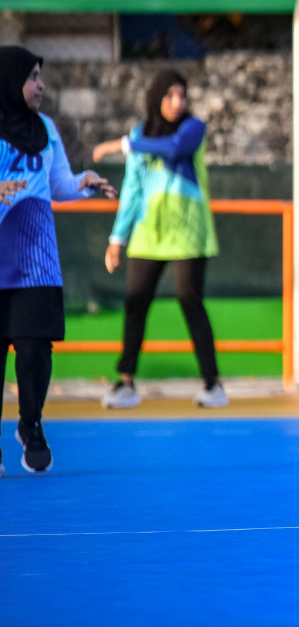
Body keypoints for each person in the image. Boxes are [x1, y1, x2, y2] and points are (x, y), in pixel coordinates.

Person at [0, 46, 117, 474]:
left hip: (36, 259)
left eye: (39, 76)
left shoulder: (46, 128)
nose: (40, 84)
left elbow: (58, 183)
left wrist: (82, 183)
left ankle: (30, 424)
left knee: (35, 348)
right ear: (10, 81)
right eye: (32, 76)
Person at [93, 69, 226, 409]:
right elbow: (133, 190)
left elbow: (174, 147)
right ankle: (125, 383)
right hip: (148, 232)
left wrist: (123, 144)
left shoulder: (192, 128)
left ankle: (213, 384)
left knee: (189, 299)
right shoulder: (140, 133)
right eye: (170, 95)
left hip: (186, 231)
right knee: (136, 302)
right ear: (156, 97)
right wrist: (117, 238)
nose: (177, 102)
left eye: (182, 95)